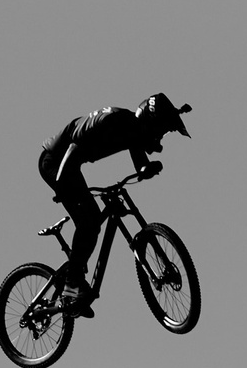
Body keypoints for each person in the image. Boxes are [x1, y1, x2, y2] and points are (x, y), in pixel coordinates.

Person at [37, 94, 192, 315]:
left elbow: (141, 165)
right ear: (150, 121)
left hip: (70, 164)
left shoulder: (132, 132)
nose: (160, 138)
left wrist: (146, 170)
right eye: (161, 131)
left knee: (92, 223)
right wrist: (62, 184)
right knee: (89, 221)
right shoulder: (116, 122)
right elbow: (74, 148)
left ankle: (76, 284)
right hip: (56, 162)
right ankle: (72, 289)